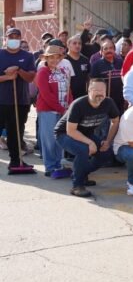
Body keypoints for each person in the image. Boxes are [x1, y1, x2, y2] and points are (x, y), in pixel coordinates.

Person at [54, 78, 121, 197]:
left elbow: (115, 121)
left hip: (86, 134)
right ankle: (77, 185)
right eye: (96, 90)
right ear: (89, 90)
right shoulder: (78, 104)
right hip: (64, 134)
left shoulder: (108, 103)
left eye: (102, 90)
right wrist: (90, 143)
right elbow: (71, 131)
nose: (100, 93)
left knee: (106, 153)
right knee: (83, 150)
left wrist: (108, 140)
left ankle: (81, 172)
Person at [0, 27, 37, 173]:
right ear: (6, 39)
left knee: (15, 132)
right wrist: (8, 76)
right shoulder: (0, 54)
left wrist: (19, 70)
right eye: (10, 36)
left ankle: (15, 161)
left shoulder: (28, 56)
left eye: (16, 36)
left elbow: (31, 77)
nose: (13, 39)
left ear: (20, 38)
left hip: (19, 101)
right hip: (1, 100)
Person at [35, 45, 72, 179]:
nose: (55, 60)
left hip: (62, 110)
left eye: (57, 57)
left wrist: (70, 105)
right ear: (46, 58)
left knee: (60, 139)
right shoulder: (43, 72)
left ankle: (59, 164)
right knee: (49, 140)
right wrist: (62, 109)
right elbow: (46, 94)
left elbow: (68, 90)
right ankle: (50, 166)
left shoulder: (62, 71)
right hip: (48, 111)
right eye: (51, 57)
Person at [65, 34, 90, 100]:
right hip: (67, 96)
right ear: (68, 45)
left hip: (83, 96)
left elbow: (89, 77)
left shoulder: (85, 60)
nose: (77, 45)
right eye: (74, 43)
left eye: (79, 43)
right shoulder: (64, 60)